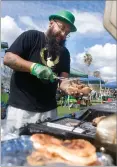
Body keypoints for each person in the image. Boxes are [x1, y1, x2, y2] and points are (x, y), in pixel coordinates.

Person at [4, 10, 90, 129]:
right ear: (51, 23)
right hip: (21, 110)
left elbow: (62, 81)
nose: (63, 34)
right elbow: (8, 58)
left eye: (67, 32)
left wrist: (69, 88)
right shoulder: (31, 36)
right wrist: (33, 67)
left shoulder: (65, 53)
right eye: (62, 27)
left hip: (50, 111)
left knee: (47, 146)